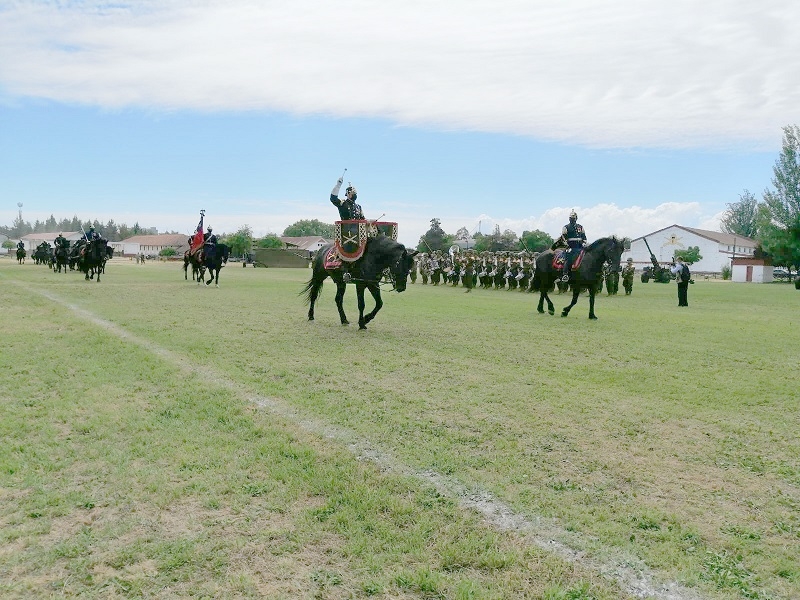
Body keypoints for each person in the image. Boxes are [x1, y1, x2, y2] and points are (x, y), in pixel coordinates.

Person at [560, 210, 587, 281]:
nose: (572, 219)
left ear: (576, 218)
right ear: (569, 219)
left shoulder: (580, 227)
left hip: (580, 246)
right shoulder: (566, 227)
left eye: (574, 218)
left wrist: (584, 243)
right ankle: (565, 274)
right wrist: (567, 245)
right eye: (571, 218)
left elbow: (584, 237)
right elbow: (564, 238)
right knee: (568, 259)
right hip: (570, 246)